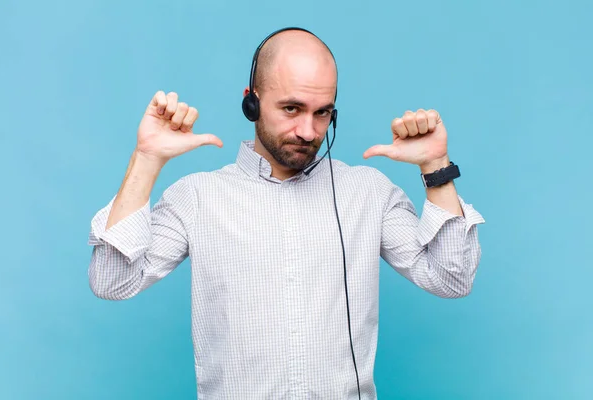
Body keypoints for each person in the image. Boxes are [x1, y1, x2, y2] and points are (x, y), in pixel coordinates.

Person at [87, 27, 485, 399]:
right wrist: (147, 160)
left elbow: (451, 279)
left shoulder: (369, 192)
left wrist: (437, 168)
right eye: (292, 108)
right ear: (251, 101)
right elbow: (112, 281)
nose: (309, 131)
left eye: (323, 112)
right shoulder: (197, 197)